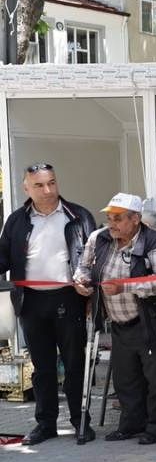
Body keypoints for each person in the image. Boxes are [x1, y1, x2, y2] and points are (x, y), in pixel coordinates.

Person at [0, 163, 96, 444]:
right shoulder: (17, 221)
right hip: (31, 301)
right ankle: (45, 424)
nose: (48, 190)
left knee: (75, 363)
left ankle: (81, 422)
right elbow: (4, 257)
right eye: (40, 185)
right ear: (26, 188)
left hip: (69, 300)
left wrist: (87, 283)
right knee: (42, 368)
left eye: (52, 183)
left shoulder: (78, 216)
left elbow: (94, 258)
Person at [73, 193, 156, 445]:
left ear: (135, 219)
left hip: (150, 321)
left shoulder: (154, 241)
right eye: (109, 218)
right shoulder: (98, 238)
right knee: (126, 378)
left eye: (118, 219)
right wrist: (81, 281)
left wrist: (125, 288)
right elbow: (83, 266)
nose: (112, 224)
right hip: (118, 323)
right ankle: (131, 425)